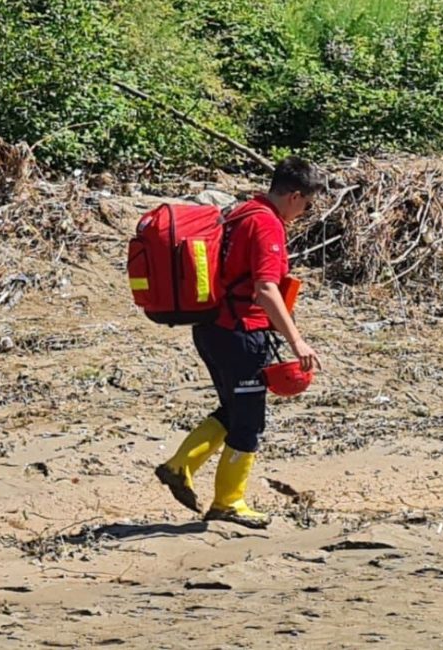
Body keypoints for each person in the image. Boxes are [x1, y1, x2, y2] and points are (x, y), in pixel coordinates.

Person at [155, 157, 323, 529]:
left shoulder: (241, 212)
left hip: (211, 328)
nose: (305, 212)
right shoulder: (266, 225)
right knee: (249, 422)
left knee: (233, 409)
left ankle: (179, 466)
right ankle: (228, 503)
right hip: (240, 333)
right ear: (295, 195)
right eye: (307, 205)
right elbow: (265, 289)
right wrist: (297, 342)